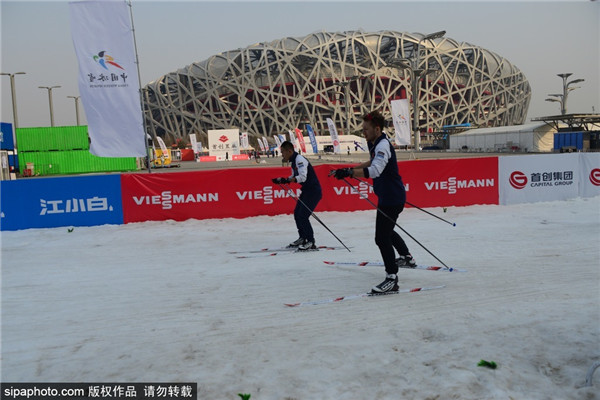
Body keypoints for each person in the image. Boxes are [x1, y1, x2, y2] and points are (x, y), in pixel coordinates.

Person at [331, 110, 415, 293]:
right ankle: (406, 257)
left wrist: (350, 173)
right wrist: (348, 169)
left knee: (381, 237)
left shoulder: (383, 145)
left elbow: (376, 170)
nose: (364, 133)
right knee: (387, 231)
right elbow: (371, 163)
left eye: (366, 129)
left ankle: (392, 278)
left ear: (377, 129)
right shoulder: (375, 143)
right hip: (388, 196)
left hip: (392, 198)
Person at [272, 141, 322, 251]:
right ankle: (303, 237)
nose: (282, 155)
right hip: (306, 190)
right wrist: (282, 180)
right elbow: (293, 176)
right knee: (297, 214)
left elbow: (303, 177)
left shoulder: (299, 160)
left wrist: (288, 180)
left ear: (289, 151)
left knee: (303, 216)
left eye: (283, 152)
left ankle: (310, 241)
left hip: (313, 191)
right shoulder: (293, 161)